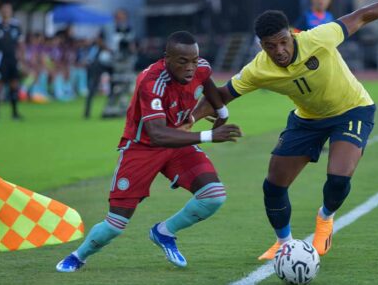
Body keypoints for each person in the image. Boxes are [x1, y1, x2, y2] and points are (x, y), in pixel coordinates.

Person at [193, 0, 378, 259]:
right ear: (262, 46)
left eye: (283, 42)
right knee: (273, 186)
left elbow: (362, 15)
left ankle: (325, 218)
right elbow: (222, 94)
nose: (279, 50)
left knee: (338, 179)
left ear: (291, 35)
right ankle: (284, 245)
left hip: (352, 109)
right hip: (307, 119)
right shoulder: (258, 69)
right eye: (271, 46)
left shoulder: (318, 37)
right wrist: (188, 120)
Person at [56, 31, 242, 272]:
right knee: (116, 223)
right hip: (142, 148)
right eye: (183, 61)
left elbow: (208, 84)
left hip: (176, 143)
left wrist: (222, 112)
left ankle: (164, 232)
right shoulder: (151, 81)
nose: (190, 68)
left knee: (214, 195)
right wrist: (208, 136)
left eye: (194, 60)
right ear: (167, 59)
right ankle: (78, 256)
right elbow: (157, 133)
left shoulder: (201, 68)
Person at [0, 2, 24, 119]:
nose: (6, 11)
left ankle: (15, 112)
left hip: (12, 59)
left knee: (14, 85)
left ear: (11, 11)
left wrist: (21, 60)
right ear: (0, 11)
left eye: (8, 9)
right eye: (4, 9)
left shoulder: (16, 25)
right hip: (0, 60)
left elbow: (20, 45)